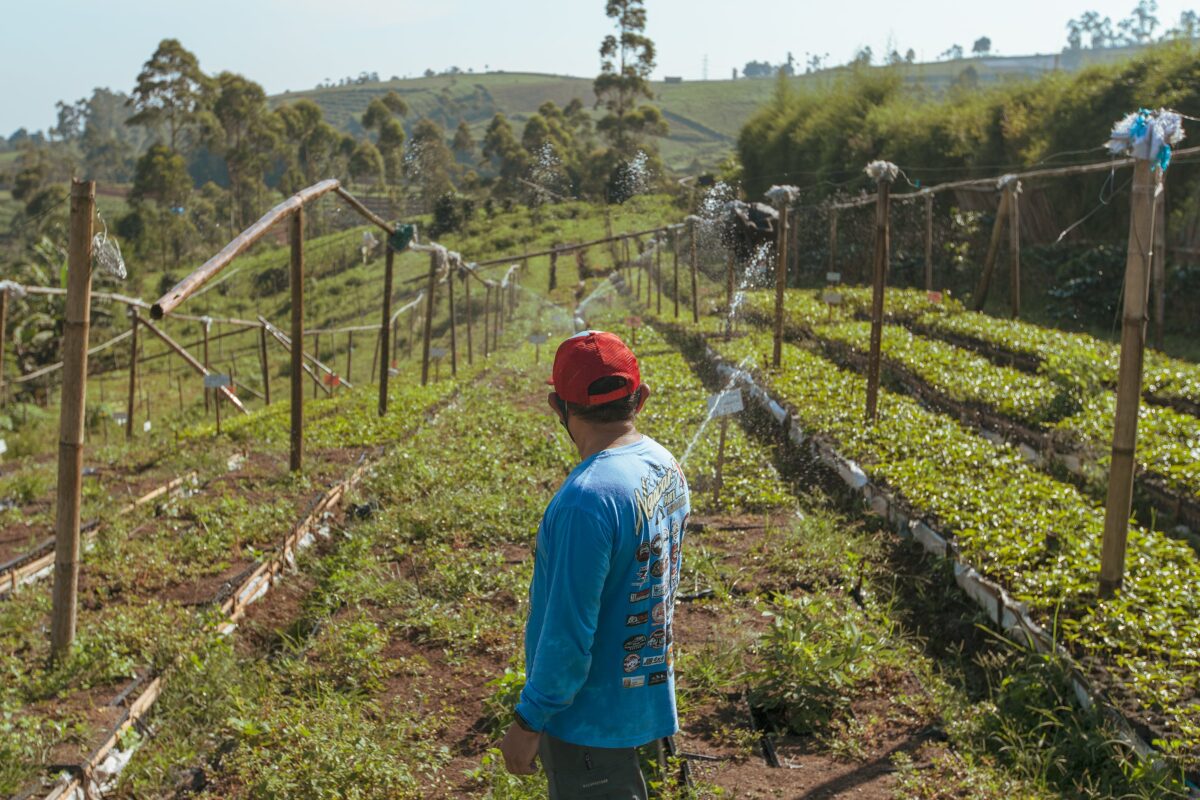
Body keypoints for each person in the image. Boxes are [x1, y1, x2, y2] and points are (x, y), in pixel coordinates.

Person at [500, 330, 690, 799]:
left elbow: (568, 635)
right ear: (640, 398)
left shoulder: (586, 501)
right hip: (643, 704)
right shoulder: (665, 465)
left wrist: (529, 720)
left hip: (588, 723)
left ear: (557, 406)